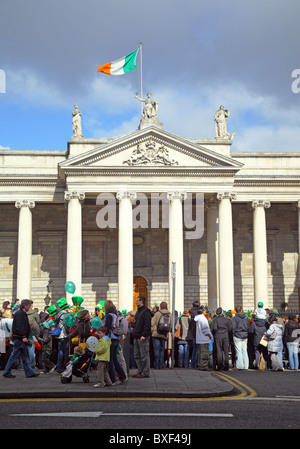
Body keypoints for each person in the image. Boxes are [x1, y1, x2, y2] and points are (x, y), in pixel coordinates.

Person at [2, 299, 39, 378]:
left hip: (20, 338)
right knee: (14, 356)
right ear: (25, 306)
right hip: (19, 338)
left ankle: (29, 372)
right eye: (29, 305)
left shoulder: (21, 313)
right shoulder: (20, 314)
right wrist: (23, 336)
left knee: (25, 356)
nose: (30, 307)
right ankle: (6, 372)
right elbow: (19, 326)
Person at [103, 300, 127, 385]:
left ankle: (112, 379)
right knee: (115, 359)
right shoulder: (116, 314)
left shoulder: (109, 315)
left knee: (110, 360)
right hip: (116, 338)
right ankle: (122, 376)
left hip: (111, 339)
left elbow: (107, 328)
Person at [132, 296, 152, 378]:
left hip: (142, 336)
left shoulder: (146, 311)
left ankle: (145, 372)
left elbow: (147, 324)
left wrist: (144, 334)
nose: (136, 302)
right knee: (137, 355)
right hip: (136, 336)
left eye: (137, 301)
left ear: (141, 302)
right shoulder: (139, 311)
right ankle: (140, 370)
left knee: (144, 355)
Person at [151, 301, 171, 369]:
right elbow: (171, 325)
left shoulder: (157, 313)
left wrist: (153, 330)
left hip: (156, 333)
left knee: (156, 349)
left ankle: (156, 365)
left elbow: (152, 323)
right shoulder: (169, 314)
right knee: (162, 349)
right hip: (164, 334)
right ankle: (161, 364)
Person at [194, 305, 212, 371]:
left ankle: (200, 365)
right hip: (204, 338)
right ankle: (204, 366)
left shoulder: (197, 318)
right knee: (204, 353)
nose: (205, 311)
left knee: (200, 353)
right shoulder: (203, 319)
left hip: (199, 338)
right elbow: (205, 329)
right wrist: (209, 335)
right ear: (202, 311)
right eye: (204, 310)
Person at [189, 300, 200, 369]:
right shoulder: (199, 314)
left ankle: (193, 364)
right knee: (197, 350)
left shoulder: (191, 313)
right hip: (198, 333)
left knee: (194, 349)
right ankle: (196, 364)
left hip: (193, 333)